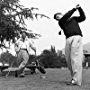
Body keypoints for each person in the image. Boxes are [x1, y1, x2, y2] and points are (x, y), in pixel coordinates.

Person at [54, 4, 86, 86]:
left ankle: (76, 80)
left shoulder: (73, 19)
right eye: (57, 18)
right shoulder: (61, 22)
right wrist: (74, 9)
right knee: (69, 61)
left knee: (75, 59)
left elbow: (83, 18)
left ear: (61, 14)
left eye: (59, 16)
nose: (58, 18)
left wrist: (79, 9)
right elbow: (65, 17)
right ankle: (74, 78)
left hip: (76, 37)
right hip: (68, 40)